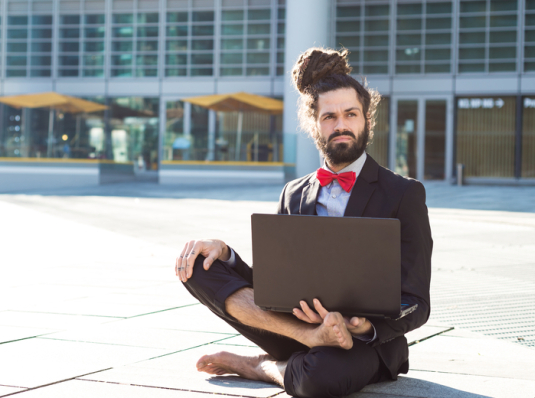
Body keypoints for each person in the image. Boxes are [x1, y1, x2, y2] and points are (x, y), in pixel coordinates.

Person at [174, 47, 433, 398]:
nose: (341, 125)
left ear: (366, 119)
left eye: (351, 114)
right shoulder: (292, 193)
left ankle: (258, 366)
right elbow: (272, 285)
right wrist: (227, 256)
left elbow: (417, 300)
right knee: (198, 265)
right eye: (329, 117)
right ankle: (306, 343)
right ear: (314, 124)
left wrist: (366, 325)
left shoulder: (404, 193)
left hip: (361, 344)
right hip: (294, 329)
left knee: (319, 380)